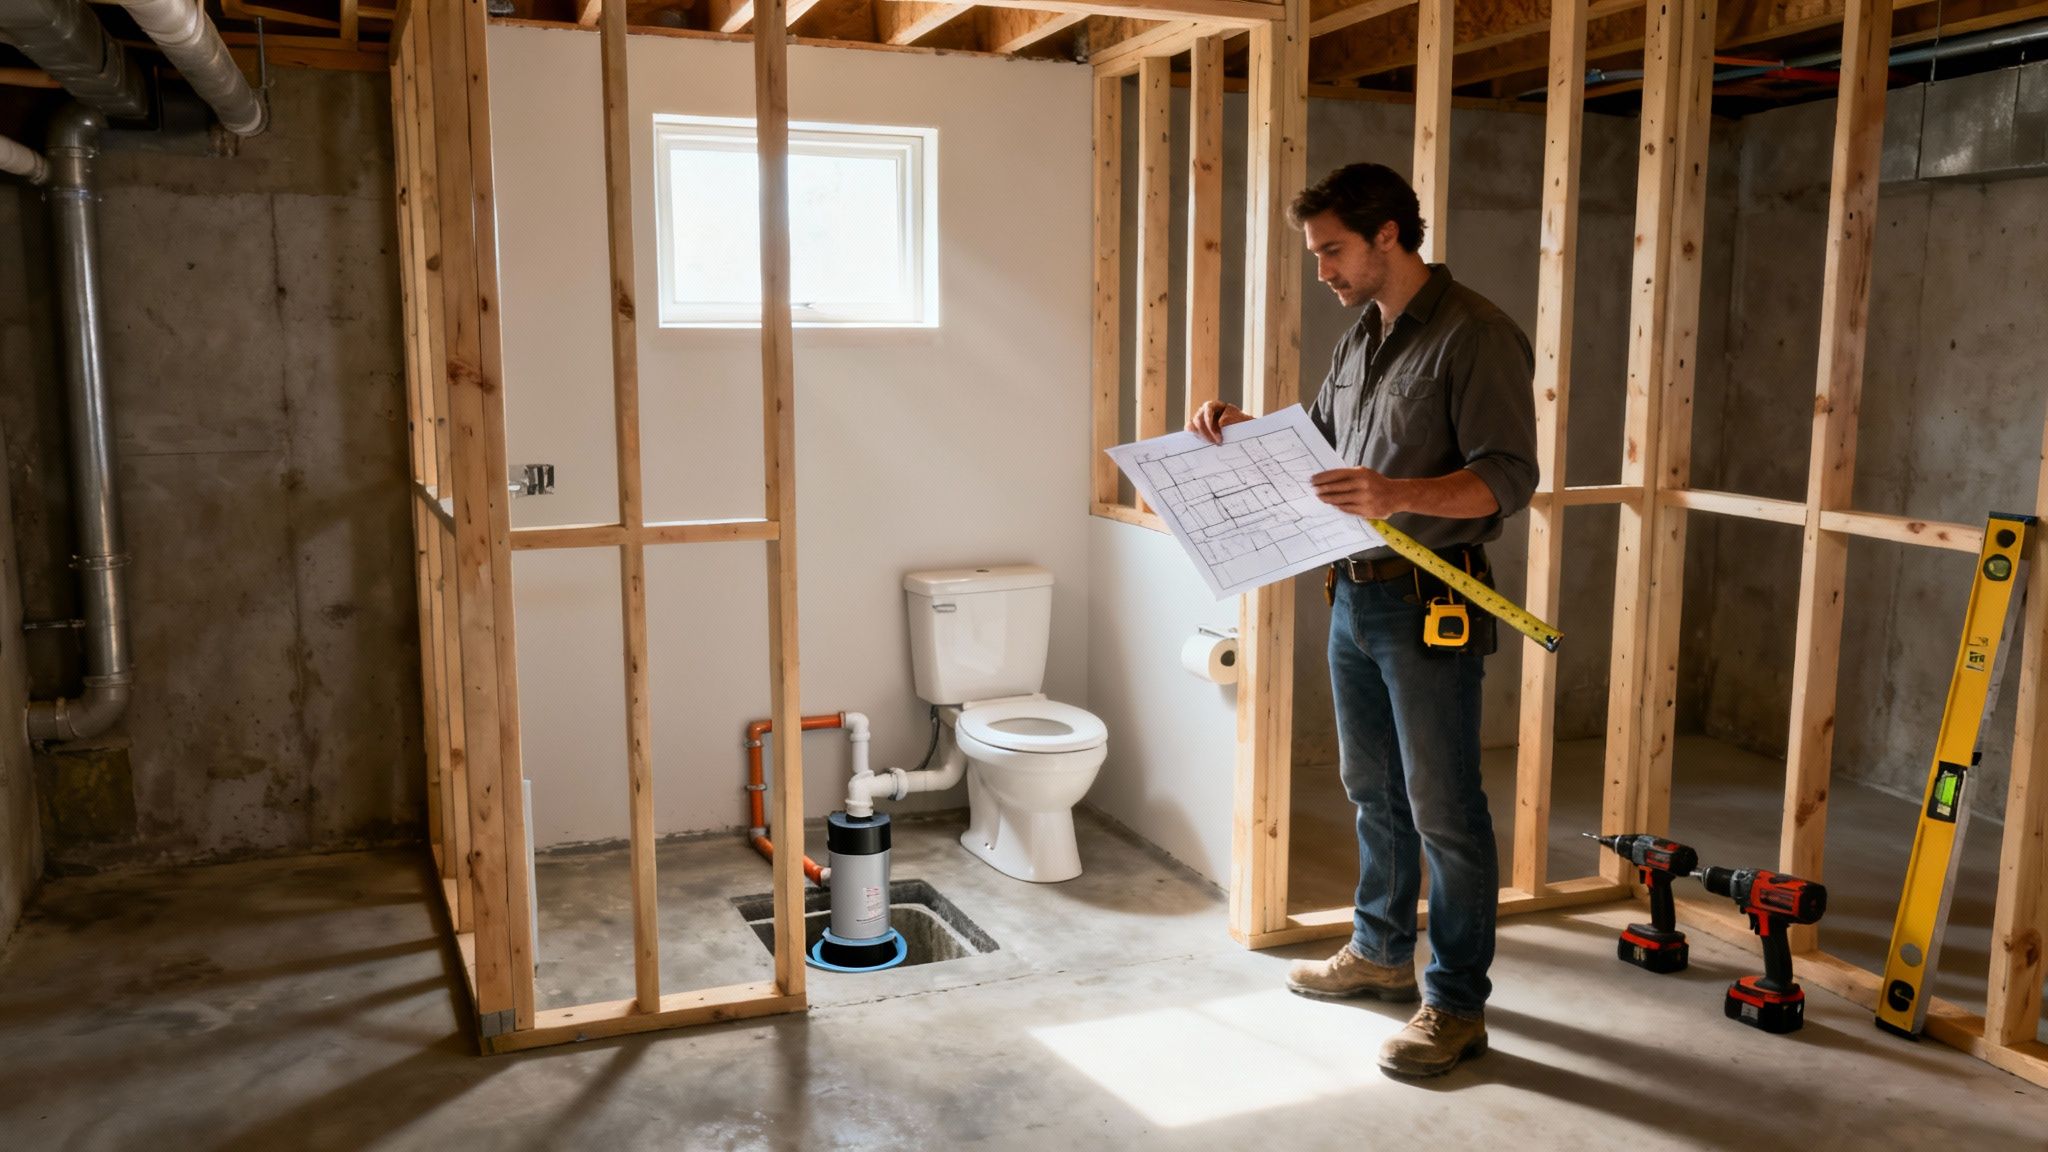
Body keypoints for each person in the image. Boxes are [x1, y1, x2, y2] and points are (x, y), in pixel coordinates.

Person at [1188, 162, 1537, 1078]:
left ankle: (1456, 1005)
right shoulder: (1363, 337)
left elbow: (1507, 478)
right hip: (1354, 593)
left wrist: (1394, 493)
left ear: (1389, 234)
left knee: (1445, 809)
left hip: (1433, 603)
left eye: (1333, 250)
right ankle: (1383, 953)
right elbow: (1320, 441)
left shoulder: (1477, 335)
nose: (1324, 270)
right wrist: (1241, 426)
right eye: (1316, 255)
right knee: (1371, 791)